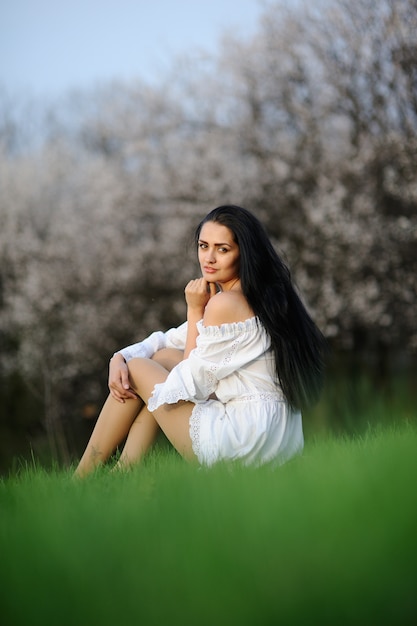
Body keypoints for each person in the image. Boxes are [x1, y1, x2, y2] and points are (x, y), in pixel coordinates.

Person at [75, 205, 325, 476]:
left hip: (245, 439)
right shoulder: (263, 297)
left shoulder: (225, 304)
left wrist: (195, 311)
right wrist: (118, 357)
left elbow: (191, 385)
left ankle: (82, 479)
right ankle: (122, 475)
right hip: (275, 436)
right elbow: (165, 340)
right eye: (204, 246)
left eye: (223, 249)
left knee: (137, 370)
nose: (209, 258)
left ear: (245, 253)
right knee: (161, 357)